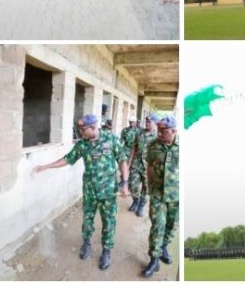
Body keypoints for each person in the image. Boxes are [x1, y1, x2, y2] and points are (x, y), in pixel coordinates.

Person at [33, 115, 129, 271]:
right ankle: (86, 244)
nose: (80, 132)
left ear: (93, 127)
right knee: (87, 220)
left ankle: (106, 251)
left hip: (108, 192)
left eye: (82, 129)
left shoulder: (111, 139)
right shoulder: (82, 145)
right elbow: (67, 159)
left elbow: (122, 160)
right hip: (90, 191)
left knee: (109, 222)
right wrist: (47, 166)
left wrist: (124, 183)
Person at [143, 117, 179, 277]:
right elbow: (150, 167)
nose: (160, 134)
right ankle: (154, 259)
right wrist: (150, 188)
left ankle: (164, 246)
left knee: (171, 225)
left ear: (174, 131)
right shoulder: (153, 145)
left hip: (176, 195)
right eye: (159, 131)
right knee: (158, 225)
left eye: (164, 132)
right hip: (158, 193)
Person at [128, 115, 158, 216]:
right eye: (146, 121)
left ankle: (141, 205)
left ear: (155, 123)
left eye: (150, 122)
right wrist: (130, 162)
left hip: (150, 167)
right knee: (132, 185)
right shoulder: (140, 132)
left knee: (147, 188)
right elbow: (134, 147)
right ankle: (135, 200)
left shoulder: (159, 136)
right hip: (136, 164)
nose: (147, 123)